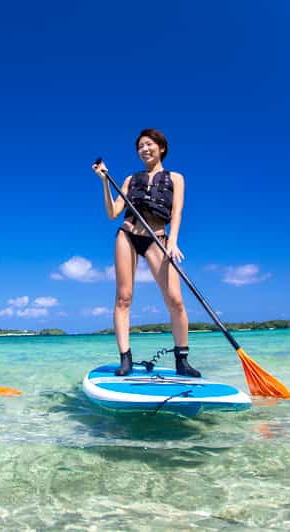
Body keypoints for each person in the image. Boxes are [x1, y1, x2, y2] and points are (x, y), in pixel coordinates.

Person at [92, 129, 200, 377]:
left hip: (158, 238)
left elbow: (177, 213)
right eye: (140, 146)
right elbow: (112, 213)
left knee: (176, 300)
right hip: (128, 236)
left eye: (149, 144)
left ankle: (182, 360)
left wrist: (173, 242)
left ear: (161, 147)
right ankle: (125, 358)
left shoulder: (176, 178)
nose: (144, 149)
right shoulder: (130, 179)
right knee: (123, 298)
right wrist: (105, 181)